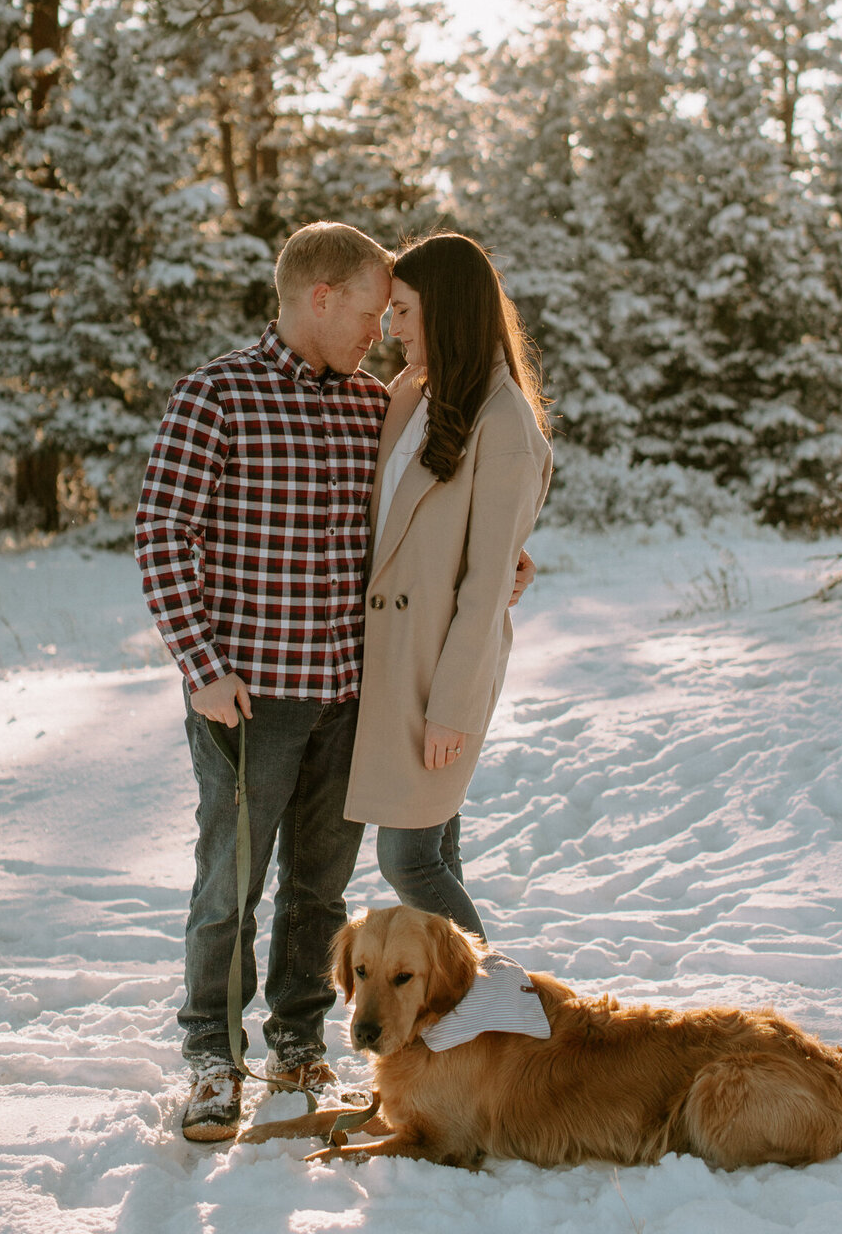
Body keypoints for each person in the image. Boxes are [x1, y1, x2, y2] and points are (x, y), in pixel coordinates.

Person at [135, 222, 534, 1142]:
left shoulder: (375, 405)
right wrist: (201, 667)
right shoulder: (217, 396)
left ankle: (298, 1040)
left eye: (394, 314)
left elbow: (428, 521)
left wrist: (510, 563)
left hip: (356, 696)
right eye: (369, 309)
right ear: (322, 298)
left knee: (320, 892)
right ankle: (209, 1055)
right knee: (229, 887)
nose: (380, 329)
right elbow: (163, 535)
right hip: (247, 696)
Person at [343, 232, 553, 941]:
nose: (389, 328)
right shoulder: (411, 393)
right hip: (388, 661)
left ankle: (493, 1004)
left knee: (408, 860)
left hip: (438, 673)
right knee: (434, 852)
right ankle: (464, 1036)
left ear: (449, 311)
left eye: (402, 311)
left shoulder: (506, 424)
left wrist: (452, 709)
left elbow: (489, 583)